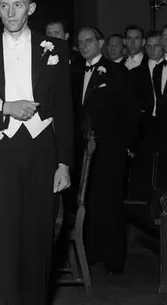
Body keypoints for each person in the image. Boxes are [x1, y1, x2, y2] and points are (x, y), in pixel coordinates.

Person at [0, 0, 73, 305]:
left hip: (43, 151)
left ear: (31, 8)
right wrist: (5, 108)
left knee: (40, 239)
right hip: (0, 151)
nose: (11, 12)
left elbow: (65, 109)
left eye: (17, 5)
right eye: (4, 5)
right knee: (5, 238)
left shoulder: (54, 48)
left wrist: (64, 163)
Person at [73, 27, 139, 274]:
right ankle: (89, 253)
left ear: (100, 42)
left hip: (110, 148)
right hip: (82, 151)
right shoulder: (74, 72)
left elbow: (131, 112)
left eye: (89, 41)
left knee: (110, 202)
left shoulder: (117, 72)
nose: (84, 46)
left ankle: (113, 259)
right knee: (87, 202)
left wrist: (127, 147)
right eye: (80, 42)